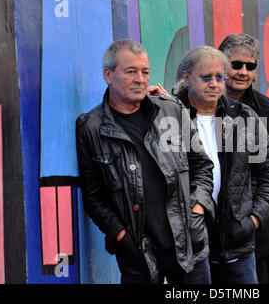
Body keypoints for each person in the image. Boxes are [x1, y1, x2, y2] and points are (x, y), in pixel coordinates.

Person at [75, 39, 215, 284]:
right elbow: (93, 196)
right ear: (108, 75)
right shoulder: (91, 128)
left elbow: (202, 166)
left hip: (188, 248)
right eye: (131, 72)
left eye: (145, 71)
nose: (140, 79)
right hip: (137, 255)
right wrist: (120, 235)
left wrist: (197, 210)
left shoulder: (171, 110)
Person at [171, 46, 269, 284]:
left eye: (219, 77)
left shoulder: (243, 116)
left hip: (237, 247)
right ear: (186, 76)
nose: (214, 83)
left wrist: (253, 220)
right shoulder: (169, 117)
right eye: (206, 77)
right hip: (188, 245)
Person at [217, 33, 269, 284]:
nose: (243, 71)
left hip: (255, 236)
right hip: (206, 238)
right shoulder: (198, 108)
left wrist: (251, 214)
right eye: (236, 65)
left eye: (250, 66)